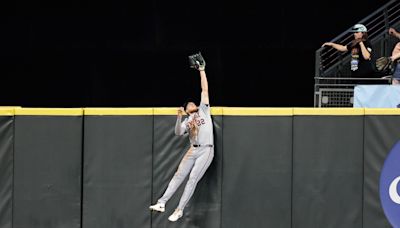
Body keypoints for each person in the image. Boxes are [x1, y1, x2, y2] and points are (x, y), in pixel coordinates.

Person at [149, 55, 214, 222]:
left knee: (192, 178)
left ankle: (179, 210)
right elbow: (178, 133)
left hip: (206, 149)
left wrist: (202, 71)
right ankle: (162, 202)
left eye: (194, 103)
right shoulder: (187, 119)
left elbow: (204, 90)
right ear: (186, 110)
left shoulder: (203, 111)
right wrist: (178, 117)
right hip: (193, 150)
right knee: (179, 175)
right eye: (190, 104)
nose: (193, 104)